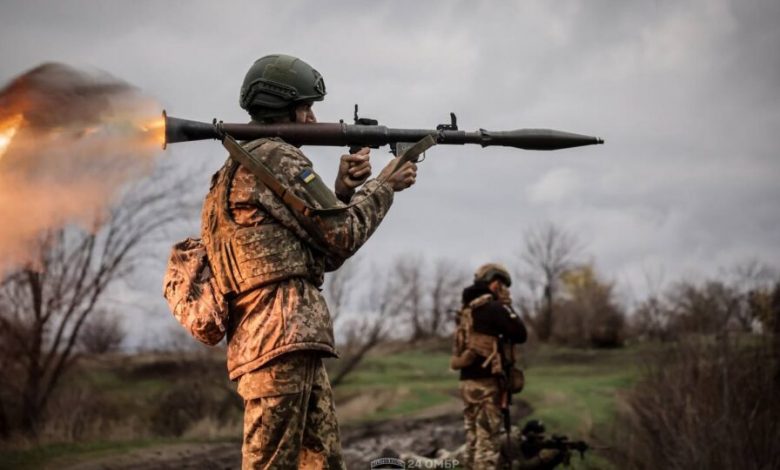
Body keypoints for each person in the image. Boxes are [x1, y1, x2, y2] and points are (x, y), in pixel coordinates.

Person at [201, 54, 418, 469]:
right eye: (307, 108)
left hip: (281, 340)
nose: (314, 118)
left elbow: (320, 251)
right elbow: (344, 235)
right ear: (285, 108)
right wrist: (385, 185)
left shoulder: (238, 167)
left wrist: (343, 192)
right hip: (279, 339)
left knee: (321, 462)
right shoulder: (278, 159)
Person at [451, 263, 528, 469]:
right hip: (487, 385)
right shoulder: (494, 308)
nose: (504, 290)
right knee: (488, 446)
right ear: (495, 283)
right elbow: (520, 333)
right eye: (502, 285)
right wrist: (506, 305)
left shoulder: (467, 310)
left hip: (467, 383)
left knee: (473, 442)